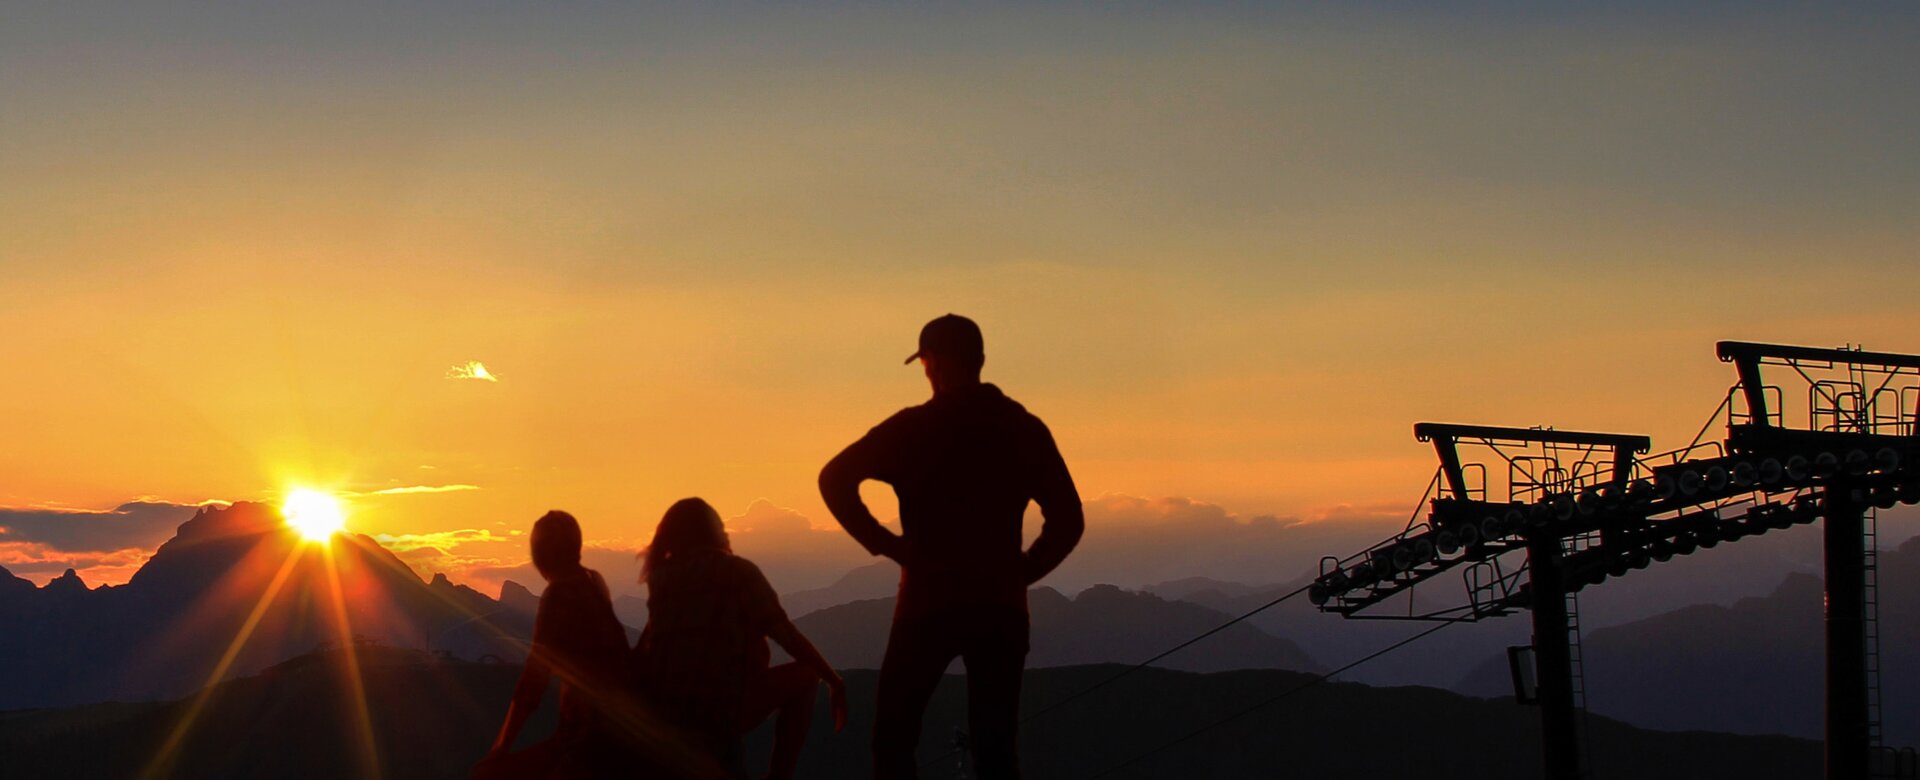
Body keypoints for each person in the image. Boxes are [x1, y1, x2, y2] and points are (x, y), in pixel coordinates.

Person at [819, 313, 1084, 780]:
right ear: (980, 360)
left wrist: (889, 546)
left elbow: (834, 478)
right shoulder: (1022, 427)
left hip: (926, 604)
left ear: (933, 363)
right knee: (996, 749)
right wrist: (1021, 571)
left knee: (893, 739)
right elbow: (1069, 521)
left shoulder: (913, 429)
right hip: (1000, 609)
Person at [630, 497, 849, 780]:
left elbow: (649, 648)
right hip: (718, 712)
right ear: (714, 531)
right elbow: (785, 635)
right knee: (806, 675)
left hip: (665, 713)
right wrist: (834, 680)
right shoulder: (737, 571)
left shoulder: (661, 579)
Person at [477, 511, 633, 779]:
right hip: (621, 731)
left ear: (540, 554)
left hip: (587, 739)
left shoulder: (559, 595)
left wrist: (500, 747)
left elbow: (533, 680)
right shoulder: (594, 583)